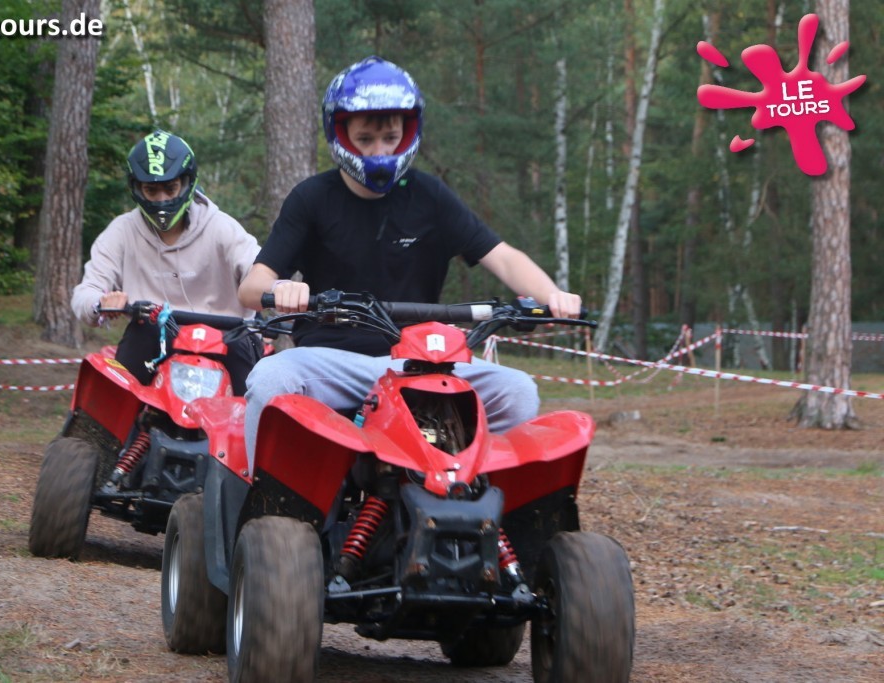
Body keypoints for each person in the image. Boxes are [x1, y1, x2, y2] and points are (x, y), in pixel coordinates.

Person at [237, 56, 581, 469]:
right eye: (365, 139)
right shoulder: (312, 198)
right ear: (339, 133)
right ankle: (262, 496)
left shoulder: (430, 196)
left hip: (424, 362)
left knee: (518, 391)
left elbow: (503, 257)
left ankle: (490, 503)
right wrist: (280, 289)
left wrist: (553, 296)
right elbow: (251, 288)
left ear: (409, 133)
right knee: (271, 378)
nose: (379, 151)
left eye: (390, 137)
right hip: (333, 360)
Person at [72, 130, 262, 394]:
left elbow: (260, 270)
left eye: (170, 188)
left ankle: (248, 420)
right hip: (155, 337)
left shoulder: (222, 228)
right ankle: (111, 420)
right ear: (137, 189)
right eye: (151, 190)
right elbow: (86, 291)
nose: (161, 199)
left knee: (255, 397)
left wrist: (280, 292)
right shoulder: (121, 231)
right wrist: (100, 303)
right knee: (122, 369)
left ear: (187, 184)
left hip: (227, 336)